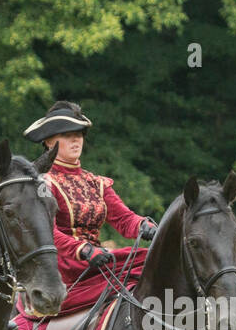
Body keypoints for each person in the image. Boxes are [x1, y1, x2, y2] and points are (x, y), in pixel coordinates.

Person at [22, 101, 156, 312]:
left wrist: (144, 226)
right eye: (66, 135)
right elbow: (46, 232)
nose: (76, 140)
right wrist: (83, 249)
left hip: (98, 258)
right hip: (64, 266)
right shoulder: (43, 183)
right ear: (48, 141)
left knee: (156, 258)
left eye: (79, 134)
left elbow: (123, 219)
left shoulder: (96, 182)